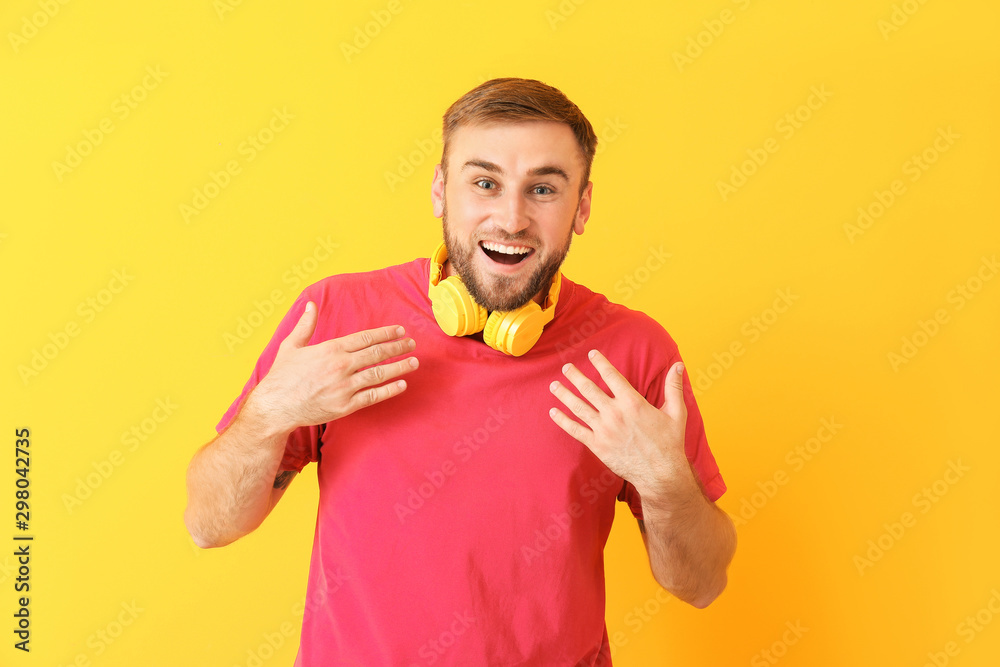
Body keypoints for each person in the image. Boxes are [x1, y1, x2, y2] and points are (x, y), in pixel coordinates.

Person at [184, 77, 736, 666]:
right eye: (485, 183)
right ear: (442, 191)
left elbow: (700, 584)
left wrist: (665, 482)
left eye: (544, 189)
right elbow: (208, 525)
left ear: (583, 207)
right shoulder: (338, 315)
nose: (512, 217)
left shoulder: (633, 352)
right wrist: (269, 415)